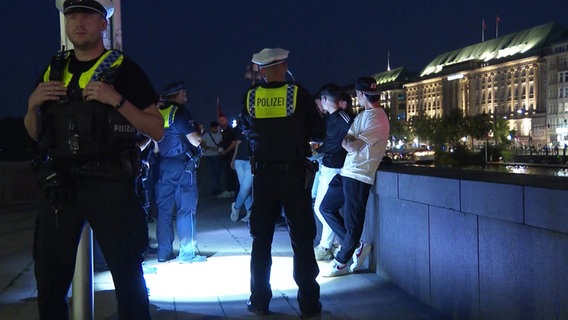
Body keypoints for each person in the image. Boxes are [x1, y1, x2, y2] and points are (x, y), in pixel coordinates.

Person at [23, 1, 163, 318]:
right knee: (49, 282)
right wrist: (32, 107)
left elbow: (156, 129)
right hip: (60, 187)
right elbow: (34, 133)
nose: (78, 22)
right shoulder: (53, 69)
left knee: (127, 277)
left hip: (110, 184)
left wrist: (117, 100)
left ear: (104, 24)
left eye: (87, 15)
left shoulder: (125, 70)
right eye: (72, 15)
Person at [240, 47, 325, 316]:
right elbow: (318, 132)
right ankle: (309, 304)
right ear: (285, 66)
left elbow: (245, 127)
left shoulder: (251, 96)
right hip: (294, 176)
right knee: (301, 238)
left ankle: (259, 301)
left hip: (263, 177)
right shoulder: (298, 93)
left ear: (262, 71)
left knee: (261, 240)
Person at [320, 76, 390, 277]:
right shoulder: (362, 116)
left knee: (353, 221)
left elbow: (352, 144)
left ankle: (341, 261)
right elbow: (348, 141)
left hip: (359, 175)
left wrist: (350, 141)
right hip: (346, 171)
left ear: (360, 94)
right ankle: (357, 246)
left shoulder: (378, 118)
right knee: (326, 207)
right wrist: (350, 141)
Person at [154, 80, 206, 264]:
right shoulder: (180, 112)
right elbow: (195, 141)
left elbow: (157, 148)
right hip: (183, 166)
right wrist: (199, 131)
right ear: (179, 94)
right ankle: (187, 253)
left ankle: (163, 253)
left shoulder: (159, 113)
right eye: (184, 92)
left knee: (164, 210)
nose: (186, 95)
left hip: (163, 166)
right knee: (186, 208)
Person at [312, 84, 354, 261]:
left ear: (324, 100)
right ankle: (336, 243)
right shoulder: (331, 119)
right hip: (327, 167)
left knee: (324, 209)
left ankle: (329, 245)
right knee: (321, 208)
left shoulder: (342, 118)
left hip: (335, 168)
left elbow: (355, 135)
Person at [229, 123, 253, 222]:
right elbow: (237, 145)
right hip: (239, 161)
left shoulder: (257, 126)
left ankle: (236, 207)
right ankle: (249, 213)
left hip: (250, 161)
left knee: (246, 187)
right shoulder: (241, 127)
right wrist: (233, 159)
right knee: (244, 187)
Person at [217, 113, 238, 198]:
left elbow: (234, 143)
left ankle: (230, 190)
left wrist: (226, 151)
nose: (221, 122)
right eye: (220, 120)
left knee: (230, 173)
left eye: (223, 120)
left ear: (227, 120)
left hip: (230, 155)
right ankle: (231, 190)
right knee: (229, 173)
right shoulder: (225, 131)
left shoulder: (229, 131)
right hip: (227, 155)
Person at [200, 121, 223, 196]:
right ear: (211, 128)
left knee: (215, 173)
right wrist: (211, 148)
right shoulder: (207, 135)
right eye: (215, 128)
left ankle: (215, 188)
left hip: (214, 155)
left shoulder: (218, 135)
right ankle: (215, 188)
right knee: (214, 173)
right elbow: (202, 145)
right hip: (210, 155)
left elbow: (221, 144)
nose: (215, 129)